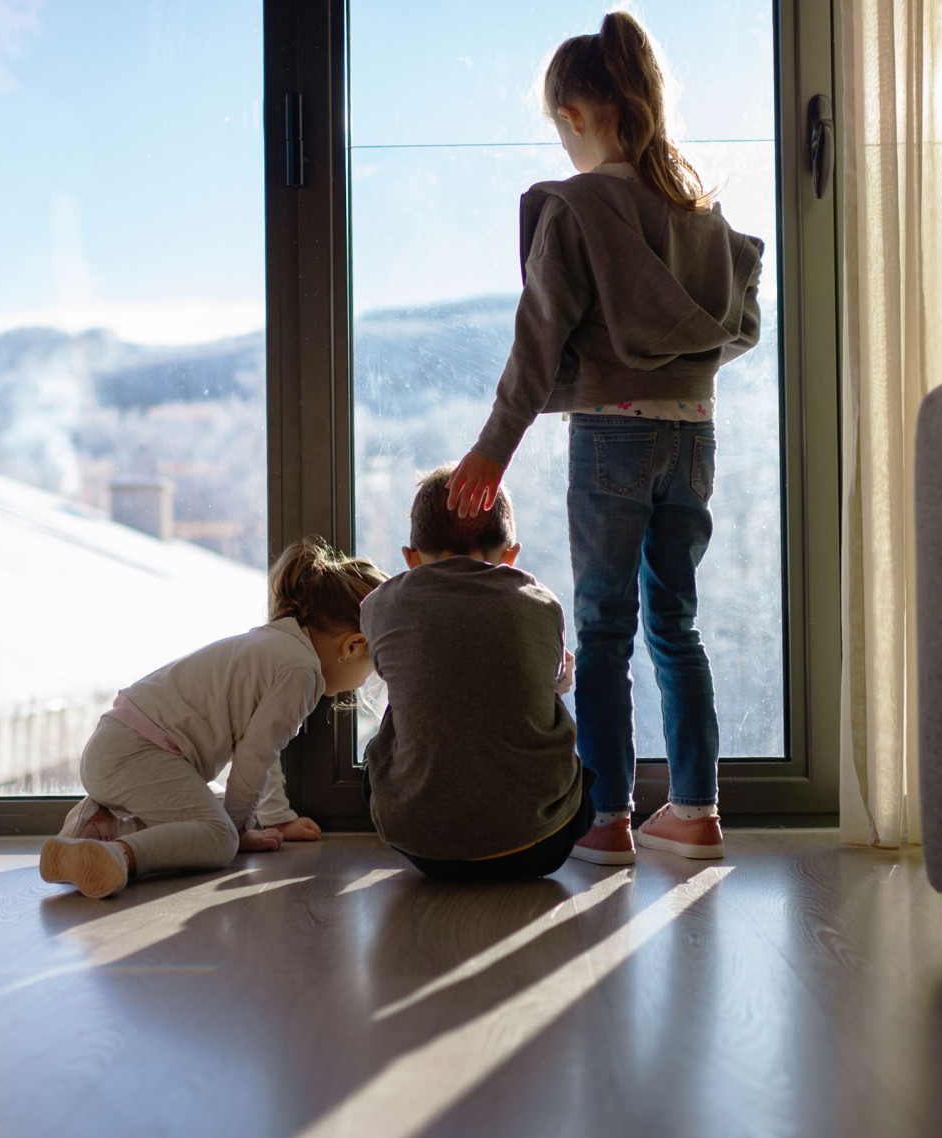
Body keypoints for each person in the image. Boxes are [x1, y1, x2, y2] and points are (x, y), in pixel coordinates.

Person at [445, 12, 763, 865]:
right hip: (692, 436)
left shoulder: (578, 207)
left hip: (612, 438)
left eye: (560, 128)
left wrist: (493, 445)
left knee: (604, 630)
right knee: (676, 626)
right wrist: (676, 363)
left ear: (575, 115)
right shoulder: (700, 216)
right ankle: (695, 812)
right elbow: (741, 326)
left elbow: (538, 336)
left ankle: (607, 819)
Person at [40, 538, 387, 898]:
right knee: (219, 838)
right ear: (352, 645)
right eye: (372, 669)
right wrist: (235, 833)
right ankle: (116, 854)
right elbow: (256, 756)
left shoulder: (276, 645)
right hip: (136, 753)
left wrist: (275, 819)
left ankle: (93, 828)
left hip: (118, 744)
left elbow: (261, 752)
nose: (366, 681)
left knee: (220, 805)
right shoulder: (301, 672)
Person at [359, 466, 590, 881]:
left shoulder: (381, 606)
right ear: (511, 556)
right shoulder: (542, 604)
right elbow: (557, 680)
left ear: (411, 559)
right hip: (542, 843)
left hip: (423, 845)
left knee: (387, 728)